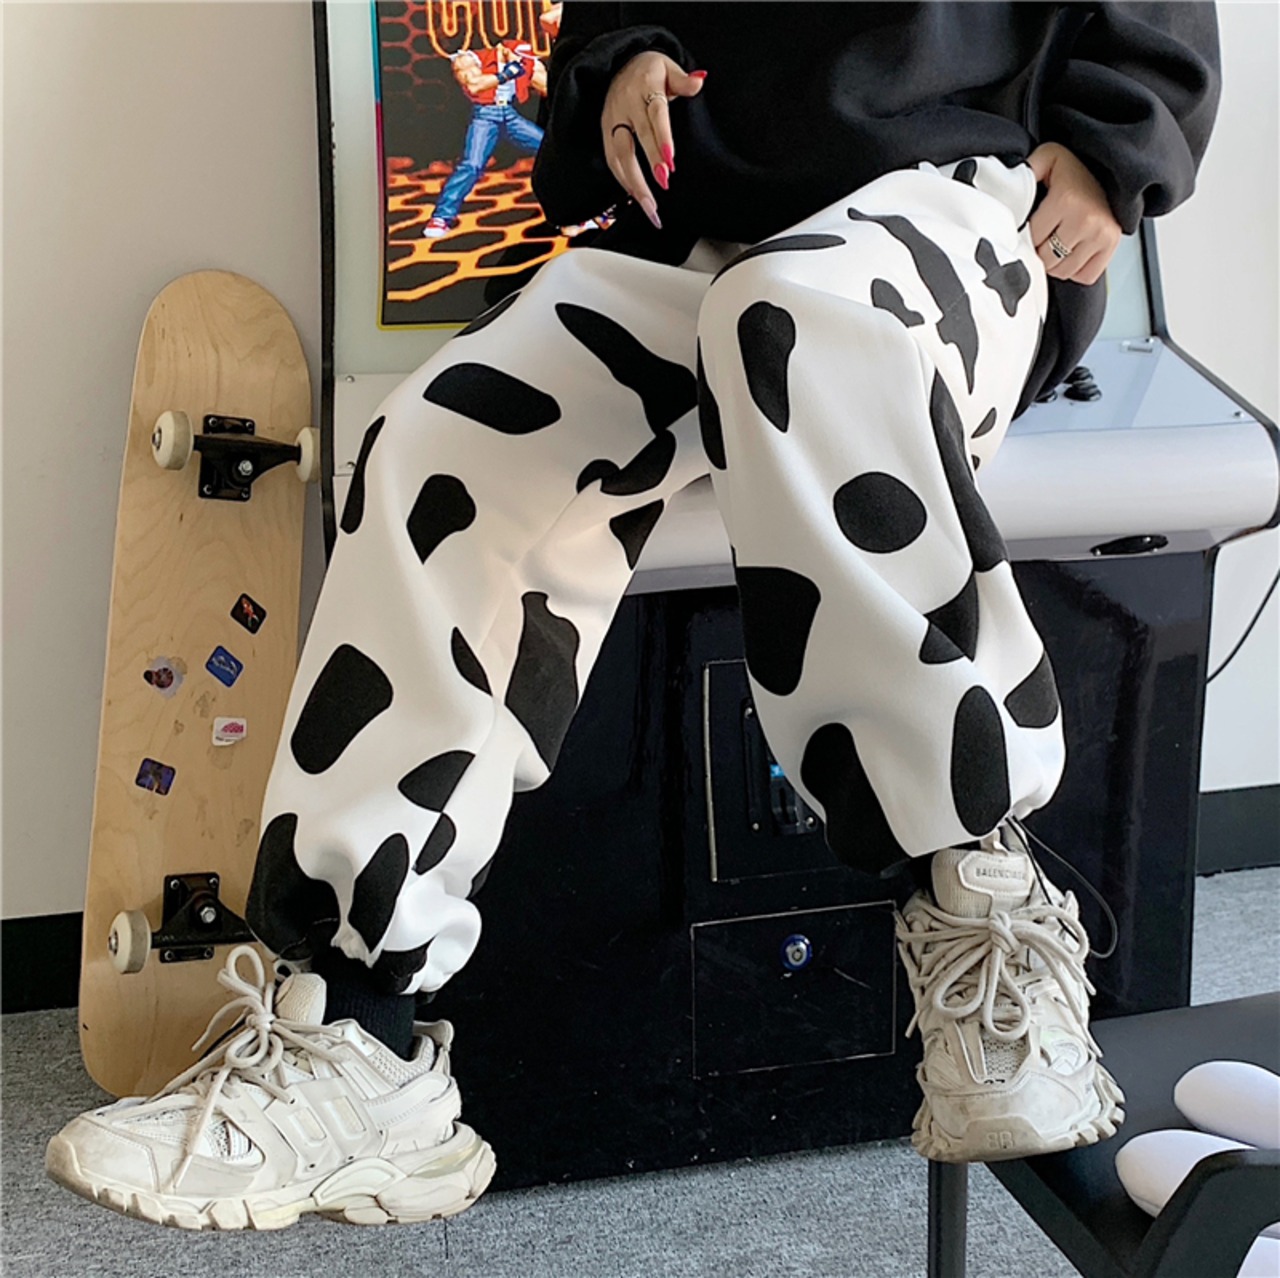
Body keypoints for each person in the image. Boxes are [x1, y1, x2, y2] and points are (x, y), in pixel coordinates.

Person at [47, 0, 1220, 1231]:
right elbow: (611, 25)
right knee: (442, 439)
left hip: (943, 217)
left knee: (794, 321)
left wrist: (1115, 153)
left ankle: (979, 901)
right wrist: (619, 73)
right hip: (702, 237)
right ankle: (359, 1035)